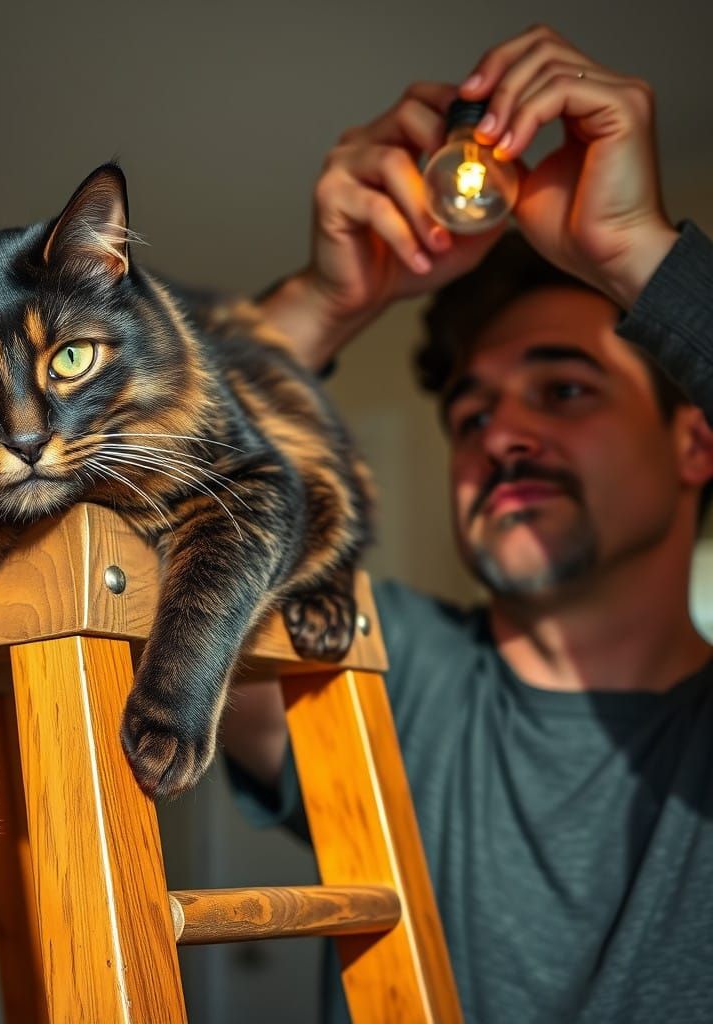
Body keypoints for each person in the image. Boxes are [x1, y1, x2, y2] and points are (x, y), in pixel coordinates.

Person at [220, 24, 713, 1024]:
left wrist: (642, 261)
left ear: (694, 445)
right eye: (471, 415)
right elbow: (123, 538)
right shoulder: (374, 673)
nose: (502, 437)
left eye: (565, 391)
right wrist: (322, 302)